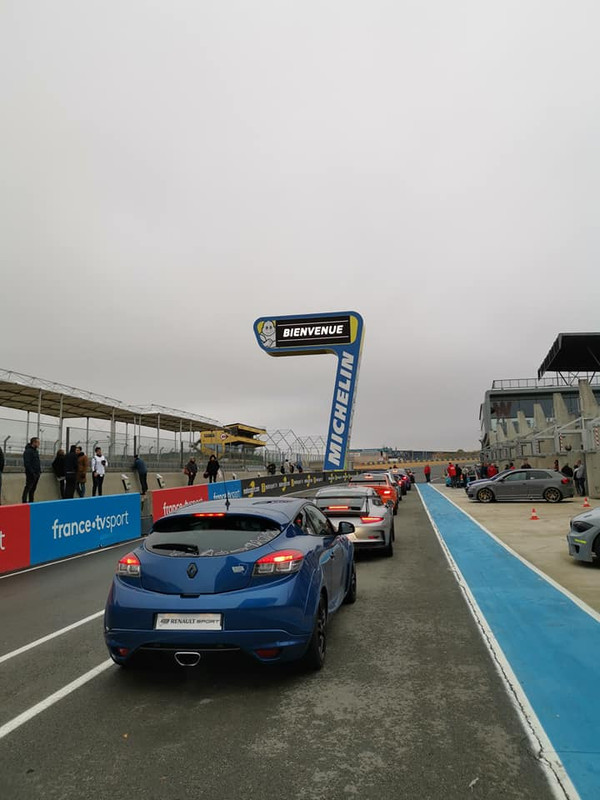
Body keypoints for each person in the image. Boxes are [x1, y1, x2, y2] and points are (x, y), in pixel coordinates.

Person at [22, 436, 41, 503]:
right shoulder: (28, 451)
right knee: (28, 487)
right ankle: (24, 501)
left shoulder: (35, 451)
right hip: (31, 473)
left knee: (33, 489)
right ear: (34, 443)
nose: (39, 444)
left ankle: (31, 501)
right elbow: (27, 463)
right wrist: (32, 472)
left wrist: (39, 472)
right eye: (38, 442)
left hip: (37, 473)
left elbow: (37, 462)